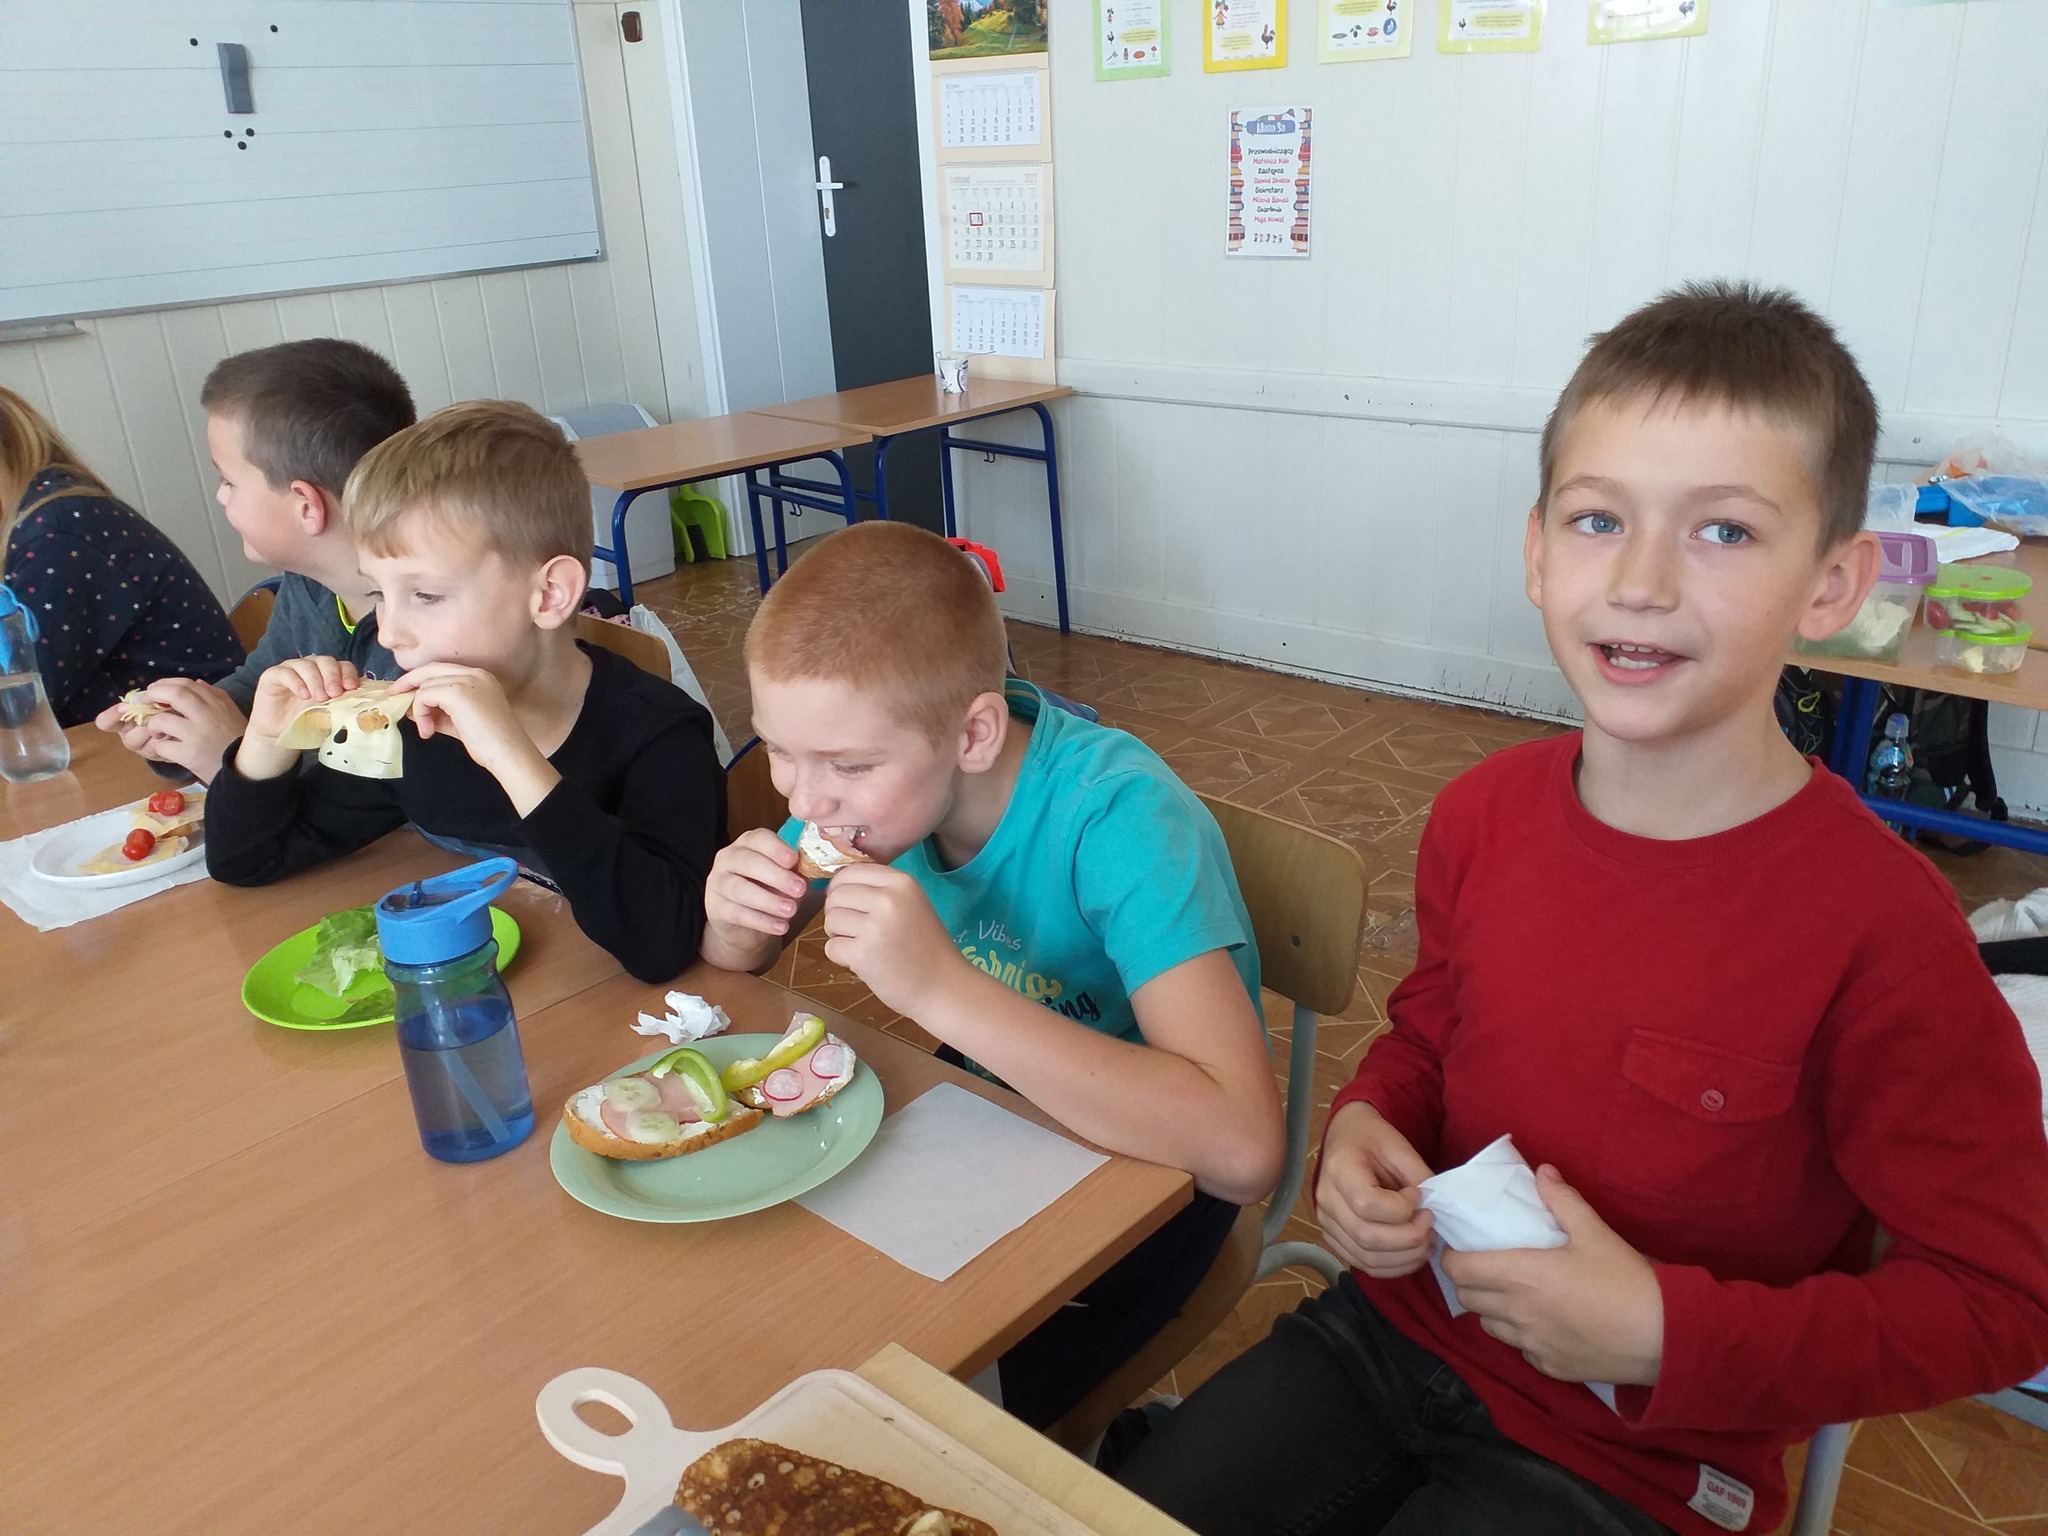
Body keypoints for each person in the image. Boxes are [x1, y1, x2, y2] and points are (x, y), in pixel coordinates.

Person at [1111, 281, 2048, 1536]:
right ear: (1537, 553)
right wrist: (1365, 1121)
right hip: (1388, 1337)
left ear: (1830, 586)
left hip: (1640, 1459)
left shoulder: (1881, 930)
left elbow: (2001, 1298)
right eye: (1598, 519)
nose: (1641, 581)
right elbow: (1431, 1034)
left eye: (1722, 531)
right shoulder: (1481, 817)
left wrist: (1667, 1332)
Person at [699, 520, 1284, 1427]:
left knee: (920, 1423)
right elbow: (737, 963)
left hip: (1152, 1188)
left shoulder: (1119, 820)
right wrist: (734, 919)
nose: (804, 799)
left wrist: (939, 989)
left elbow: (1242, 1152)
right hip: (984, 1125)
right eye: (778, 749)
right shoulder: (879, 787)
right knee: (782, 1313)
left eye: (847, 765)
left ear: (972, 733)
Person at [205, 400, 723, 984]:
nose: (389, 633)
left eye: (425, 596)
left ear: (550, 595)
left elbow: (663, 944)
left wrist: (510, 756)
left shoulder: (658, 733)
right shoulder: (414, 733)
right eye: (378, 595)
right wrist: (266, 743)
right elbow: (245, 860)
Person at [94, 338, 415, 781]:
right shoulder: (308, 584)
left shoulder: (429, 625)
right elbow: (258, 687)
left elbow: (374, 791)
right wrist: (179, 723)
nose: (220, 496)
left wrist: (232, 761)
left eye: (229, 480)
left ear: (306, 506)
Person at [0, 386, 240, 725]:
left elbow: (18, 702)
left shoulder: (57, 531)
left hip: (189, 737)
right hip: (137, 733)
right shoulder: (44, 515)